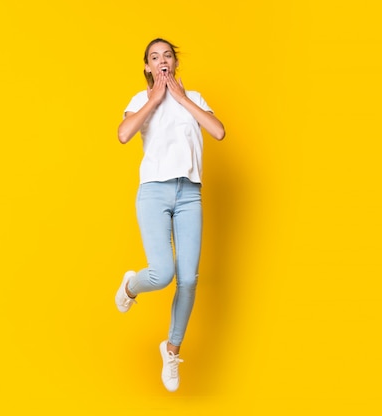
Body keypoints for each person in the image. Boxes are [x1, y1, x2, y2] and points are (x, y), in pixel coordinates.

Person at [115, 38, 225, 392]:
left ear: (175, 63)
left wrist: (181, 99)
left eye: (167, 55)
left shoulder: (194, 100)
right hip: (154, 193)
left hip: (189, 193)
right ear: (148, 67)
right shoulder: (139, 100)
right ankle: (131, 285)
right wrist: (154, 101)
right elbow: (123, 134)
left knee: (189, 279)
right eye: (154, 57)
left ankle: (172, 349)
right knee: (162, 273)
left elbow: (219, 131)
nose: (161, 60)